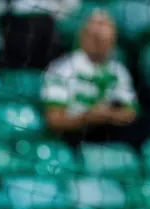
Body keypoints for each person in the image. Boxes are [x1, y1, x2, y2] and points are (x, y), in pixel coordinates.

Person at [42, 10, 142, 151]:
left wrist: (107, 115)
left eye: (106, 39)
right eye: (95, 37)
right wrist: (87, 117)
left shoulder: (119, 71)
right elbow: (54, 119)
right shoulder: (61, 69)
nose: (101, 43)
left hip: (111, 134)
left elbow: (131, 112)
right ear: (82, 36)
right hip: (74, 137)